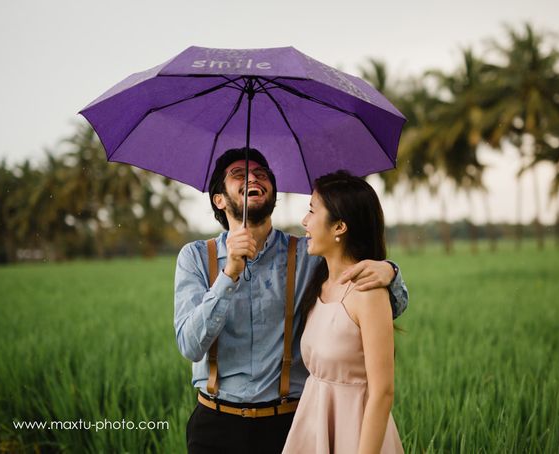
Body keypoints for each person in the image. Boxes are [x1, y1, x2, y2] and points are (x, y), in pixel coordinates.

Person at [174, 148, 408, 453]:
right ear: (219, 199)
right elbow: (190, 346)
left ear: (273, 191)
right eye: (239, 174)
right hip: (216, 424)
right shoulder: (195, 258)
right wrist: (228, 275)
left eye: (261, 173)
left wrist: (390, 271)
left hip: (289, 424)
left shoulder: (307, 255)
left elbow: (380, 306)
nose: (254, 177)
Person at [282, 171, 404, 453]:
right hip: (312, 427)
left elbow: (382, 392)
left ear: (339, 227)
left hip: (357, 434)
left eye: (312, 211)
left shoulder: (368, 293)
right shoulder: (318, 285)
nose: (304, 221)